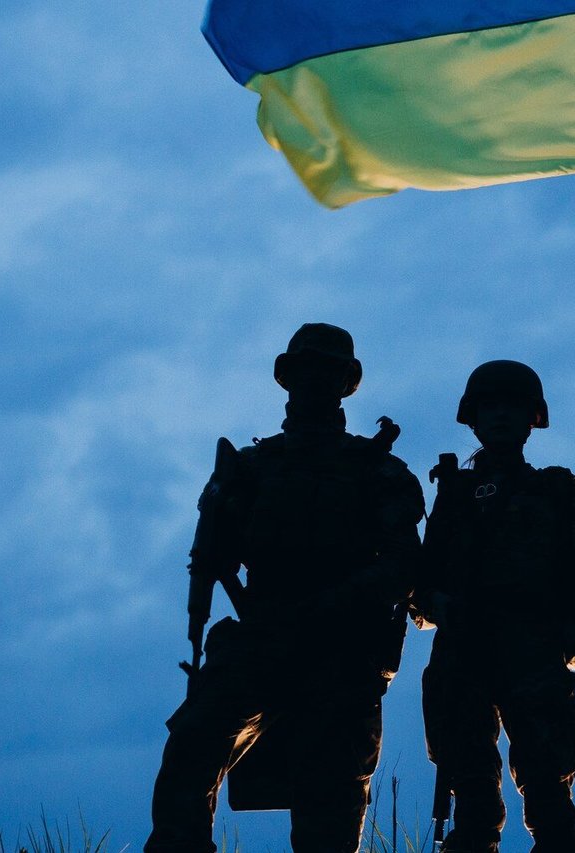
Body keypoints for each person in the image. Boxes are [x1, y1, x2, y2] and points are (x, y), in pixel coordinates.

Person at [145, 323, 424, 853]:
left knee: (332, 802)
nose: (315, 380)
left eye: (328, 371)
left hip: (343, 649)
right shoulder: (252, 468)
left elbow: (403, 566)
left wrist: (332, 606)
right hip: (263, 638)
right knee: (192, 746)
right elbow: (218, 556)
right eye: (306, 369)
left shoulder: (378, 471)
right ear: (287, 378)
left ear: (347, 383)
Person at [415, 360, 575, 853]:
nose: (500, 416)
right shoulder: (454, 494)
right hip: (463, 653)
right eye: (490, 407)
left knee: (551, 800)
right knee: (472, 805)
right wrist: (435, 601)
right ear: (473, 419)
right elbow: (423, 581)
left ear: (532, 419)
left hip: (533, 649)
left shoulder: (555, 490)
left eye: (512, 407)